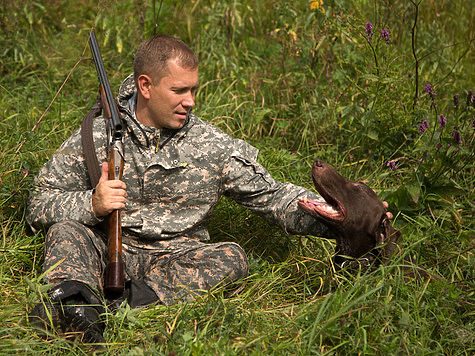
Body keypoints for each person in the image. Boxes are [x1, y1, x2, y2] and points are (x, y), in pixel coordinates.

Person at [27, 34, 390, 345]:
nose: (191, 101)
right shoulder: (97, 134)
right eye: (179, 90)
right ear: (145, 86)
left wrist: (342, 217)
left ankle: (120, 306)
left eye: (194, 90)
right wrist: (92, 204)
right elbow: (38, 203)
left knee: (232, 257)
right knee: (67, 230)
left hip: (175, 259)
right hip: (104, 246)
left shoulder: (212, 146)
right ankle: (73, 308)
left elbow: (273, 197)